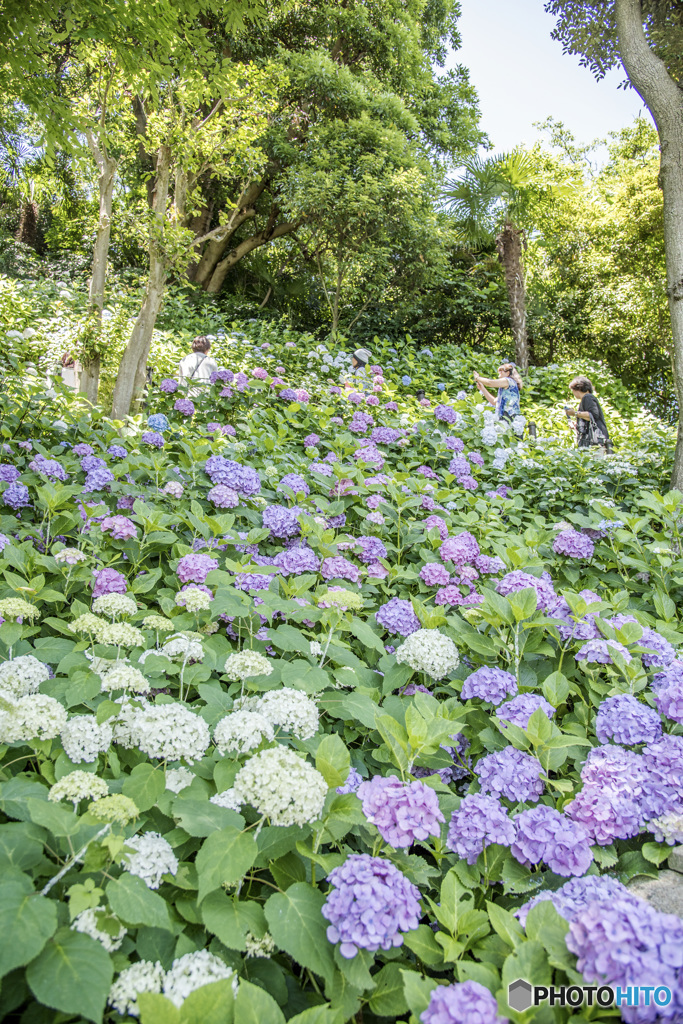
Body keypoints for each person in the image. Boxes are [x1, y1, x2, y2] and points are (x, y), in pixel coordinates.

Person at [564, 376, 611, 452]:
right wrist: (577, 425)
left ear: (578, 388)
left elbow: (593, 415)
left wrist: (574, 413)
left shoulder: (587, 397)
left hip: (596, 442)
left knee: (596, 463)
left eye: (572, 390)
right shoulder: (586, 399)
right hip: (594, 441)